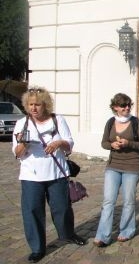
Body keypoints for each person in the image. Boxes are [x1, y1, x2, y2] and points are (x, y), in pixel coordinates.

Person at [12, 86, 86, 263]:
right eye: (30, 105)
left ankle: (68, 234)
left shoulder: (57, 120)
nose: (34, 108)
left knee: (62, 208)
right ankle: (37, 248)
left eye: (37, 104)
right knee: (32, 211)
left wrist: (58, 142)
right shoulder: (22, 124)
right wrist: (24, 143)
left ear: (45, 105)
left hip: (56, 173)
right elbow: (17, 153)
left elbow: (69, 144)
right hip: (31, 176)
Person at [94, 93, 139, 247]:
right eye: (123, 105)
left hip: (132, 166)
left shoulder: (136, 122)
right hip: (113, 166)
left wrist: (128, 143)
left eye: (129, 105)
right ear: (115, 107)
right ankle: (103, 235)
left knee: (129, 201)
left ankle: (127, 231)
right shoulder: (110, 122)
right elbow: (104, 142)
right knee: (108, 201)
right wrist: (112, 145)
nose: (127, 108)